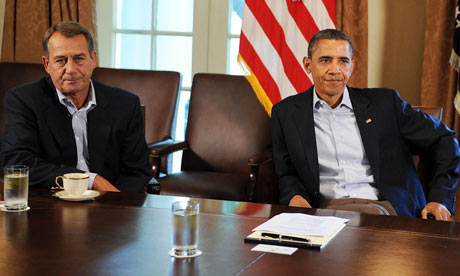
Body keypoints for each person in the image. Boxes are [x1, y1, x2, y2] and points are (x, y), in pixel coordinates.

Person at [271, 29, 460, 220]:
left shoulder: (386, 104)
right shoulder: (285, 113)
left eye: (343, 61)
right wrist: (295, 197)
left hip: (385, 209)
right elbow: (287, 173)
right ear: (308, 64)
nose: (335, 70)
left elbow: (444, 139)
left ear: (352, 66)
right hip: (326, 211)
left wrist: (440, 199)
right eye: (325, 60)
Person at [0, 21, 153, 193]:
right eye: (61, 60)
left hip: (110, 204)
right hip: (53, 203)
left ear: (93, 59)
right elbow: (17, 163)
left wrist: (115, 204)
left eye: (79, 58)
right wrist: (90, 180)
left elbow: (137, 172)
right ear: (47, 65)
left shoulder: (125, 104)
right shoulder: (24, 101)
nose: (71, 69)